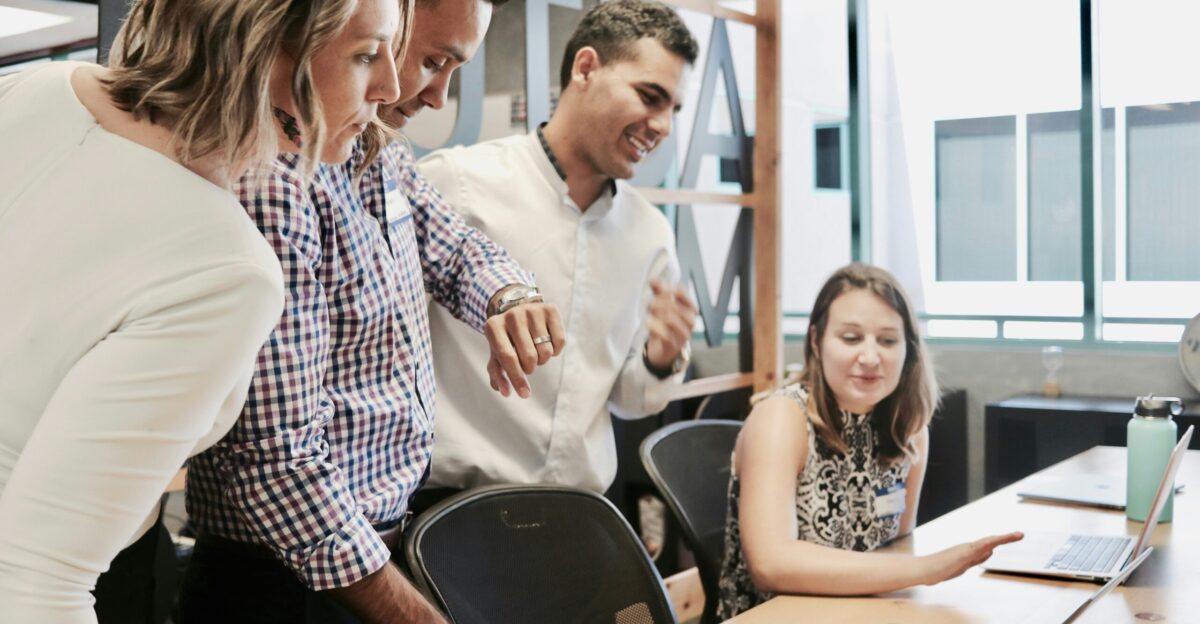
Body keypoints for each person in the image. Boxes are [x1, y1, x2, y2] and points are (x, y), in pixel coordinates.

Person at [0, 0, 393, 620]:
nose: (391, 87)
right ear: (262, 47)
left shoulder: (34, 90)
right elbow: (35, 582)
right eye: (366, 55)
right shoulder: (227, 270)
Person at [179, 0, 561, 622]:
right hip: (287, 578)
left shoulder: (374, 149)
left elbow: (458, 248)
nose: (434, 96)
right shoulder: (273, 179)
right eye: (432, 62)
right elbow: (279, 465)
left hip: (369, 548)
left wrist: (510, 296)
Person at [414, 0, 699, 504]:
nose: (663, 127)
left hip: (580, 516)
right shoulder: (456, 184)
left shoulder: (649, 233)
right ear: (585, 67)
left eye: (673, 109)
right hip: (451, 509)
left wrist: (660, 358)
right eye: (650, 96)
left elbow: (630, 400)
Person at [715, 263, 1024, 618]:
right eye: (850, 338)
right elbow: (770, 564)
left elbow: (894, 550)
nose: (870, 357)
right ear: (816, 341)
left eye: (888, 340)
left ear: (908, 349)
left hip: (860, 612)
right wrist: (928, 569)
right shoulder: (782, 417)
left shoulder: (908, 429)